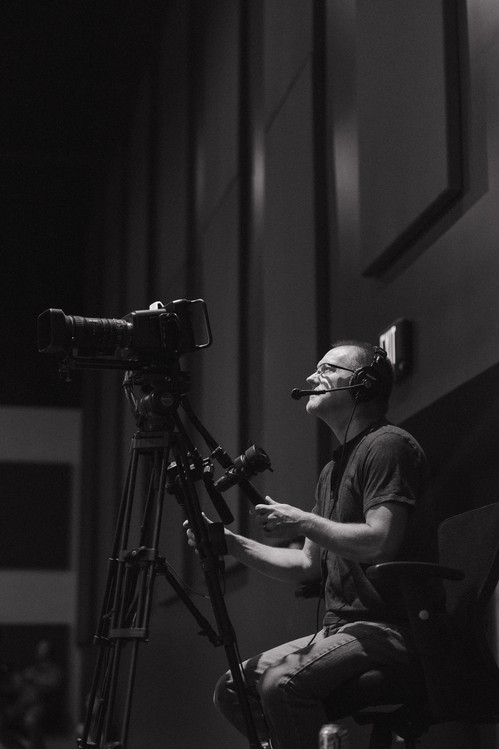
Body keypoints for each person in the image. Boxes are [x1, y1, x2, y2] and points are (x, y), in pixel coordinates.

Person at [185, 341, 437, 749]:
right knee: (232, 690)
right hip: (341, 629)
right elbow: (306, 563)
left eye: (326, 369)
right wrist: (231, 544)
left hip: (391, 628)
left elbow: (381, 542)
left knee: (280, 684)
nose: (311, 377)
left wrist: (302, 520)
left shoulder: (387, 445)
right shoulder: (332, 469)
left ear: (363, 384)